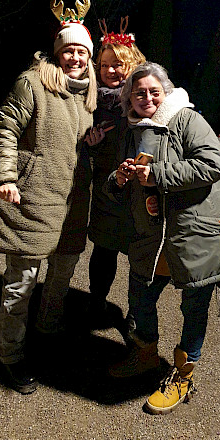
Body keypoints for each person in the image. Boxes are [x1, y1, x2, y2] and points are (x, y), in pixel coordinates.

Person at [106, 62, 220, 414]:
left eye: (154, 91)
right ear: (129, 98)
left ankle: (183, 375)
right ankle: (145, 355)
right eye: (139, 93)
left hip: (193, 232)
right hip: (151, 234)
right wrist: (120, 178)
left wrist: (157, 174)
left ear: (166, 92)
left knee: (194, 306)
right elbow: (121, 175)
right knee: (141, 296)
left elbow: (212, 164)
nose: (147, 98)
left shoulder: (187, 120)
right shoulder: (131, 129)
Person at [0, 0, 96, 395]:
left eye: (82, 51)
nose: (75, 57)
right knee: (21, 283)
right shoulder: (32, 83)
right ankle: (11, 355)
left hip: (73, 201)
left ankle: (49, 331)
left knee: (61, 275)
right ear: (58, 52)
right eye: (69, 50)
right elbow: (5, 130)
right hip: (32, 197)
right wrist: (6, 177)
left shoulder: (89, 93)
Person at [84, 17, 145, 324]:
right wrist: (92, 145)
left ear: (131, 65)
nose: (110, 71)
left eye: (117, 65)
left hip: (140, 189)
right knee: (104, 250)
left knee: (139, 256)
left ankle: (136, 316)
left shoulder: (144, 98)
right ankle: (96, 302)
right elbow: (83, 150)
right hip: (108, 188)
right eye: (104, 65)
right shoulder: (90, 100)